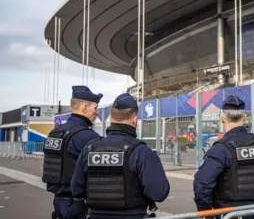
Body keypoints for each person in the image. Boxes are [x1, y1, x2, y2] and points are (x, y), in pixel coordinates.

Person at [71, 93, 170, 219]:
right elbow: (159, 193)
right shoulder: (141, 151)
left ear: (111, 118)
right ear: (134, 120)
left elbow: (77, 190)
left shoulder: (89, 149)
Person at [193, 95, 254, 218]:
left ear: (222, 119)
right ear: (244, 117)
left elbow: (202, 184)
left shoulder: (220, 149)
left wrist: (208, 213)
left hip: (229, 213)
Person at [42, 85, 103, 219]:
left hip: (59, 203)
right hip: (79, 205)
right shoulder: (87, 136)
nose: (96, 112)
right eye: (95, 108)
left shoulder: (55, 133)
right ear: (84, 108)